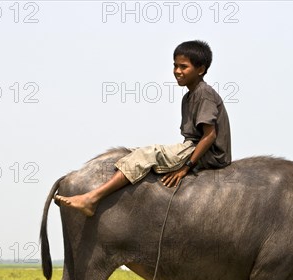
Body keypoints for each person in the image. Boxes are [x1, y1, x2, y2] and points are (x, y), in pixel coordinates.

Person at [54, 40, 231, 217]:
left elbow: (209, 135)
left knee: (146, 154)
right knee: (131, 153)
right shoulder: (188, 97)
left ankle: (92, 198)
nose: (177, 71)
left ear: (200, 69)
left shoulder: (203, 93)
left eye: (183, 67)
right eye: (175, 66)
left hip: (211, 154)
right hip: (193, 146)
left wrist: (186, 166)